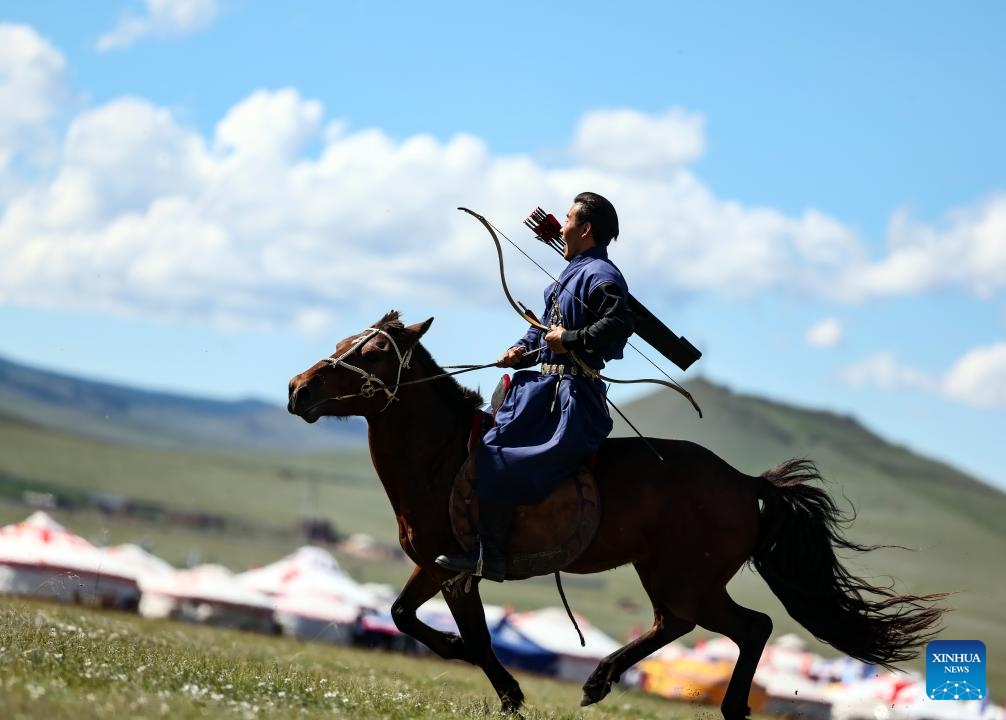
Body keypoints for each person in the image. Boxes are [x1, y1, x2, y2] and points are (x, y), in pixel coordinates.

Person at [436, 191, 635, 582]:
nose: (561, 228)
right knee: (486, 443)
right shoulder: (574, 271)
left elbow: (618, 324)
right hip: (545, 393)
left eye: (567, 219)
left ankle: (488, 557)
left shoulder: (601, 275)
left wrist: (572, 339)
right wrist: (521, 349)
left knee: (497, 456)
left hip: (571, 401)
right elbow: (545, 330)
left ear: (586, 228)